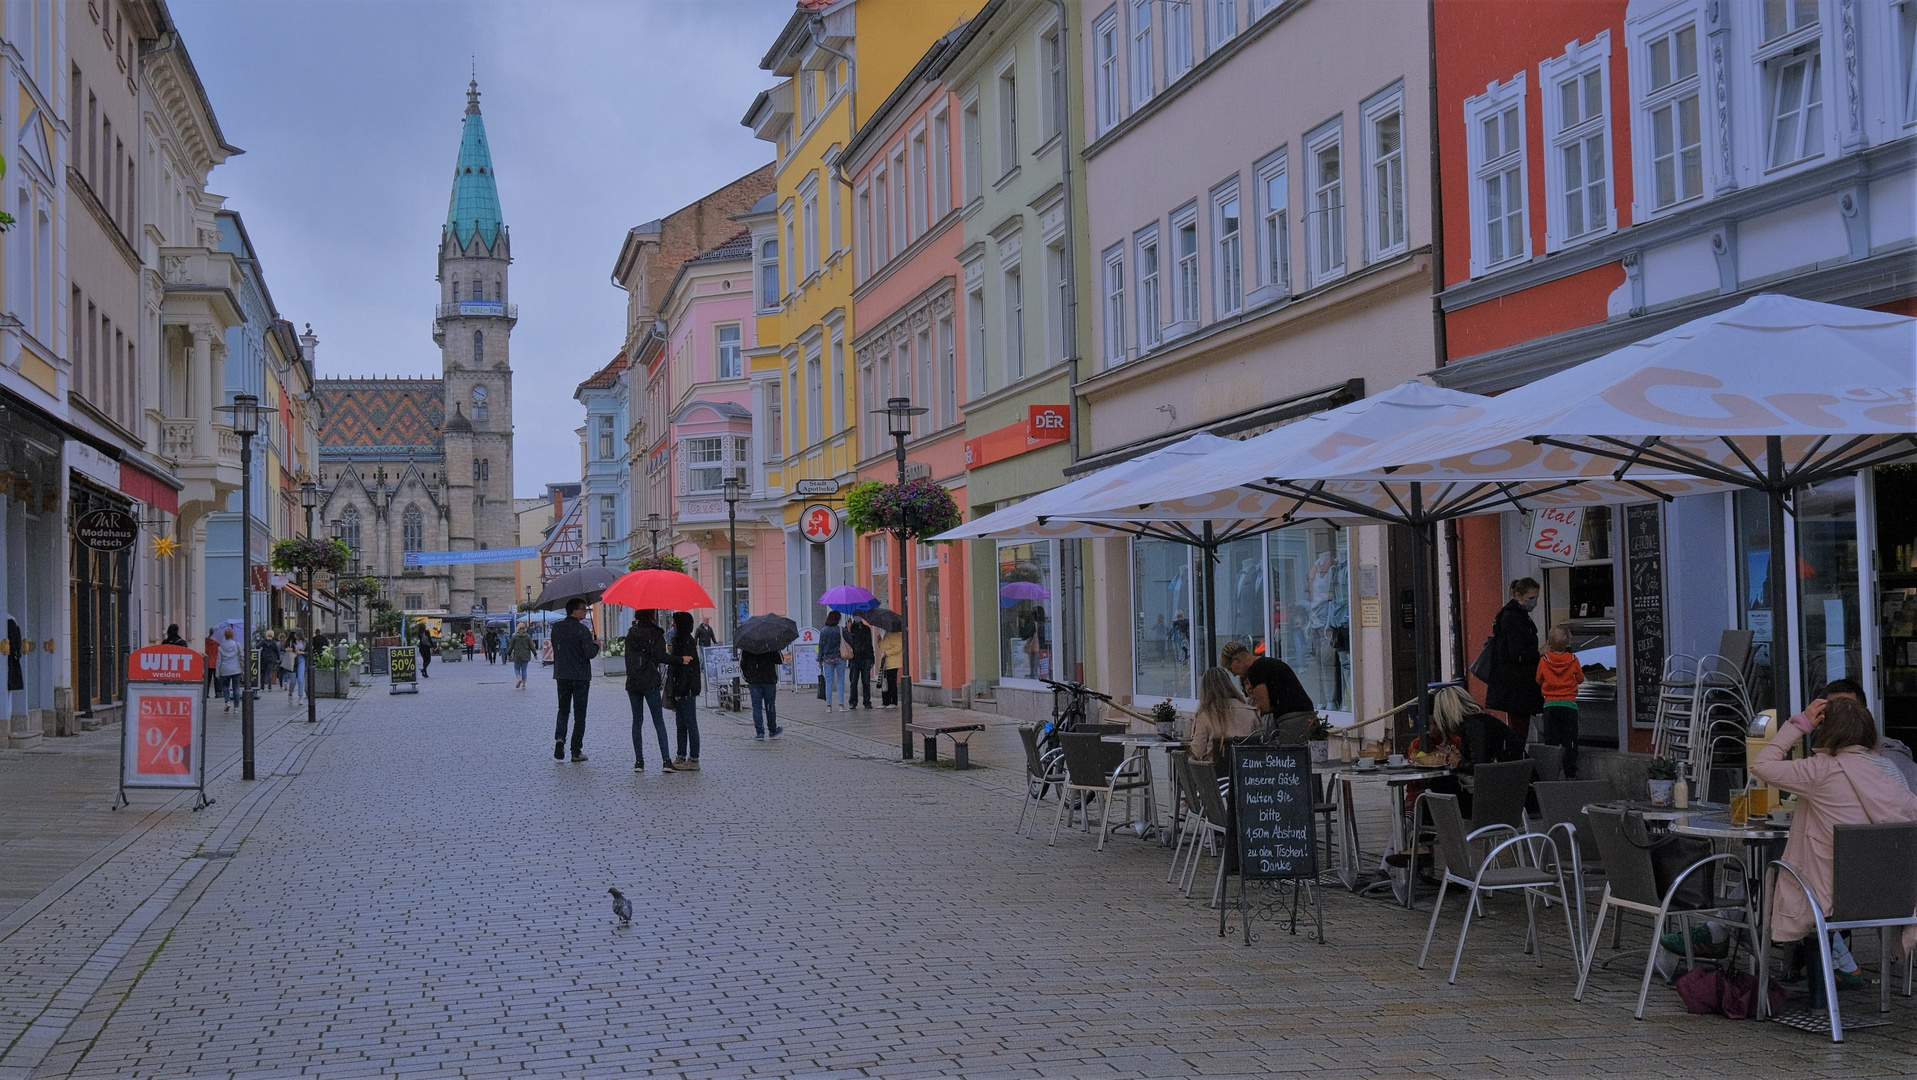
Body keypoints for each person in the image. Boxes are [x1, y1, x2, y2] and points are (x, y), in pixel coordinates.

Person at [1752, 696, 1917, 1006]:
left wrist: (1798, 723)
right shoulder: (1888, 771)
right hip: (1889, 896)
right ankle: (1876, 998)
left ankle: (1811, 996)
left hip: (1828, 899)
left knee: (1775, 878)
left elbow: (1761, 765)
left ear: (1826, 731)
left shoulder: (1820, 771)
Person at [1484, 577, 1544, 746]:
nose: (1534, 603)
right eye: (1531, 598)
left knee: (1518, 726)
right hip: (1517, 684)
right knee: (1519, 729)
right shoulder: (1514, 618)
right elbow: (1517, 653)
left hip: (1514, 684)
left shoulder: (1511, 615)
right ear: (1518, 596)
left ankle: (1515, 757)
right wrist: (1539, 652)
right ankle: (1516, 760)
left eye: (1536, 598)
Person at [1220, 640, 1315, 744]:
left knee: (1290, 758)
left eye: (1230, 669)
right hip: (1303, 715)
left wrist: (1245, 718)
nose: (1233, 674)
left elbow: (1265, 706)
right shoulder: (1267, 663)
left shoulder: (1256, 670)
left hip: (1293, 719)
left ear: (1236, 660)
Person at [624, 610, 675, 771]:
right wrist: (680, 659)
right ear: (652, 615)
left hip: (633, 683)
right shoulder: (656, 633)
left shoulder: (631, 633)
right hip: (651, 681)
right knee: (658, 721)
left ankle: (639, 761)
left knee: (637, 722)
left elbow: (628, 659)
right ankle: (666, 760)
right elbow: (662, 657)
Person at [551, 599, 599, 762]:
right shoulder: (582, 630)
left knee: (563, 710)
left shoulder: (556, 628)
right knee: (580, 714)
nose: (585, 612)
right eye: (583, 609)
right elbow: (589, 653)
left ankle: (559, 739)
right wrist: (596, 644)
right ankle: (576, 750)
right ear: (574, 611)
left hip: (562, 675)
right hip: (580, 677)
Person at [1536, 626, 1585, 779]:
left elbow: (1538, 679)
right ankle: (1570, 773)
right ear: (1568, 643)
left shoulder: (1544, 660)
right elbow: (1580, 678)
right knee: (1570, 741)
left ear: (1549, 643)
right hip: (1569, 705)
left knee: (1551, 741)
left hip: (1550, 705)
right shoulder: (1573, 659)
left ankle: (1551, 774)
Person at [1187, 666, 1260, 764]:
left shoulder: (1205, 715)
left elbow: (1198, 751)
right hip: (1246, 769)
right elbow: (1259, 745)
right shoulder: (1250, 712)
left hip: (1217, 773)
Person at [666, 611, 703, 770]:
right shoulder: (680, 640)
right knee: (680, 724)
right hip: (680, 689)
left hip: (686, 690)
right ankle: (681, 756)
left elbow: (687, 671)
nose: (672, 624)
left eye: (674, 622)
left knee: (690, 724)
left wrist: (680, 691)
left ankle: (694, 759)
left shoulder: (686, 641)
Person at [741, 643, 784, 740]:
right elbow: (780, 660)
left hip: (754, 680)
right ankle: (772, 730)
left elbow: (742, 664)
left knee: (756, 706)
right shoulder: (770, 644)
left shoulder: (747, 646)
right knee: (770, 705)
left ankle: (760, 732)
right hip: (769, 679)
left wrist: (748, 677)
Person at [844, 614, 874, 709]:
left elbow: (869, 644)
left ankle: (867, 701)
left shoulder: (866, 629)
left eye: (859, 616)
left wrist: (872, 657)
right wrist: (848, 630)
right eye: (856, 616)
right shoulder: (849, 629)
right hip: (854, 658)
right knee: (853, 681)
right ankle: (853, 701)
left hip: (866, 657)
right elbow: (847, 642)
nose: (858, 617)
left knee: (866, 681)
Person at [819, 611, 847, 712]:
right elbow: (849, 641)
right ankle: (841, 705)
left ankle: (828, 706)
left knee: (829, 682)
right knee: (840, 681)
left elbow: (821, 646)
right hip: (839, 658)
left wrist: (819, 660)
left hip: (827, 659)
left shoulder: (823, 631)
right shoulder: (841, 630)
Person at [215, 628, 242, 711]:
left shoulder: (221, 647)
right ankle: (236, 707)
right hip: (236, 669)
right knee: (236, 687)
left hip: (225, 669)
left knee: (225, 686)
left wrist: (217, 671)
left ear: (225, 636)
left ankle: (228, 701)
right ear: (233, 635)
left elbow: (219, 660)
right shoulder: (237, 645)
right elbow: (242, 655)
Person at [878, 628, 902, 708]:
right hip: (885, 663)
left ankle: (893, 702)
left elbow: (899, 647)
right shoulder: (886, 635)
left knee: (891, 682)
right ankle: (885, 702)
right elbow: (882, 647)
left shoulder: (895, 634)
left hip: (893, 663)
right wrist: (879, 641)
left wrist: (887, 653)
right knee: (885, 682)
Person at [285, 632, 306, 702]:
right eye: (294, 634)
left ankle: (300, 696)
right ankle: (290, 693)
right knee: (293, 680)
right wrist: (288, 650)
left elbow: (309, 652)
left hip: (301, 659)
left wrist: (301, 652)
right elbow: (284, 647)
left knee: (301, 679)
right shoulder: (290, 641)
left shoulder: (304, 642)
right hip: (293, 660)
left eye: (297, 634)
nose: (295, 636)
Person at [203, 630, 220, 701]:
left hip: (208, 662)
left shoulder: (206, 641)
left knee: (207, 679)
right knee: (217, 679)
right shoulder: (217, 642)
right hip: (216, 662)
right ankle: (217, 693)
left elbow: (205, 651)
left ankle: (206, 693)